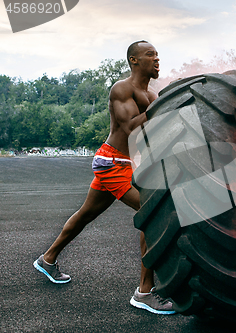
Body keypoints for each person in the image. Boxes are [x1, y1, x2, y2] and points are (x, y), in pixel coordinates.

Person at [33, 41, 174, 315]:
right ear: (134, 60)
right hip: (111, 163)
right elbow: (132, 127)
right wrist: (164, 109)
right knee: (152, 215)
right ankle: (144, 293)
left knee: (86, 214)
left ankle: (47, 259)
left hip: (125, 164)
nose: (157, 59)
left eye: (157, 54)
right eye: (150, 55)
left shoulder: (153, 96)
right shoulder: (122, 89)